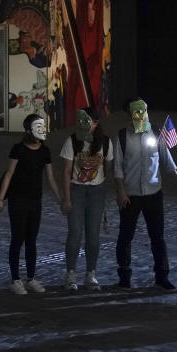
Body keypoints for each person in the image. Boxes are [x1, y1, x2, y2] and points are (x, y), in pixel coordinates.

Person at [113, 98, 177, 290]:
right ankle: (124, 275)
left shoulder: (156, 133)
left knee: (157, 237)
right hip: (130, 195)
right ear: (130, 114)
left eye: (144, 110)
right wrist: (121, 192)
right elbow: (117, 168)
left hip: (153, 193)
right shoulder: (122, 137)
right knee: (126, 237)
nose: (141, 115)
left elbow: (168, 162)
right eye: (137, 112)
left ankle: (162, 276)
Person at [0, 113, 61, 295]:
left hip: (35, 200)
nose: (43, 130)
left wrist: (61, 199)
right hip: (18, 200)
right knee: (18, 239)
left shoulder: (44, 151)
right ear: (29, 130)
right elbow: (9, 174)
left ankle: (31, 278)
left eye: (43, 126)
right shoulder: (18, 149)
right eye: (38, 127)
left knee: (31, 240)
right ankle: (15, 279)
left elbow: (50, 178)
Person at [60, 107, 112, 291]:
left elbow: (108, 169)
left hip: (97, 192)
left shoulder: (105, 142)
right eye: (87, 121)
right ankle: (71, 274)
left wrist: (104, 193)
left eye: (93, 121)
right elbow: (66, 172)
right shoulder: (73, 141)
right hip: (77, 190)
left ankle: (91, 274)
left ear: (97, 124)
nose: (90, 125)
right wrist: (66, 198)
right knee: (75, 234)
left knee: (93, 236)